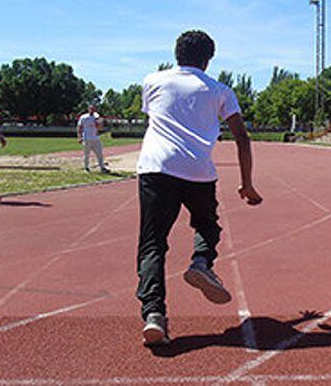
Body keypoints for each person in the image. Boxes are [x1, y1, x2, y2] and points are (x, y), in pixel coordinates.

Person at [135, 30, 263, 347]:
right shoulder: (220, 90)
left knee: (153, 242)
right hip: (198, 171)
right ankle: (201, 262)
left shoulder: (152, 81)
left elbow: (155, 116)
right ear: (208, 59)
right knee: (207, 224)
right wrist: (246, 184)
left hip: (156, 168)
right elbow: (242, 138)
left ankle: (154, 315)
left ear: (176, 54)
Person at [76, 105, 108, 173]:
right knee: (86, 154)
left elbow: (101, 126)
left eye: (94, 109)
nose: (92, 110)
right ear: (88, 109)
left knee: (99, 153)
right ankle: (86, 167)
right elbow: (79, 127)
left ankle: (102, 167)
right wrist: (79, 137)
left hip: (96, 138)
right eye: (91, 109)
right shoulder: (83, 117)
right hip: (86, 138)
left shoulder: (96, 116)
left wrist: (99, 123)